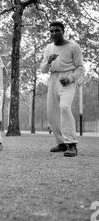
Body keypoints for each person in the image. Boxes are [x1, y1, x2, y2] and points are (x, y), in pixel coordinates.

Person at [40, 21, 85, 157]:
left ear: (63, 31)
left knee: (64, 108)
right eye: (51, 31)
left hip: (67, 80)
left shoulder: (73, 47)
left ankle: (72, 145)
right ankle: (61, 143)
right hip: (53, 80)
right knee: (51, 114)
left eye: (57, 30)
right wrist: (48, 61)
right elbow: (43, 70)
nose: (54, 33)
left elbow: (80, 68)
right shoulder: (48, 48)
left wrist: (71, 78)